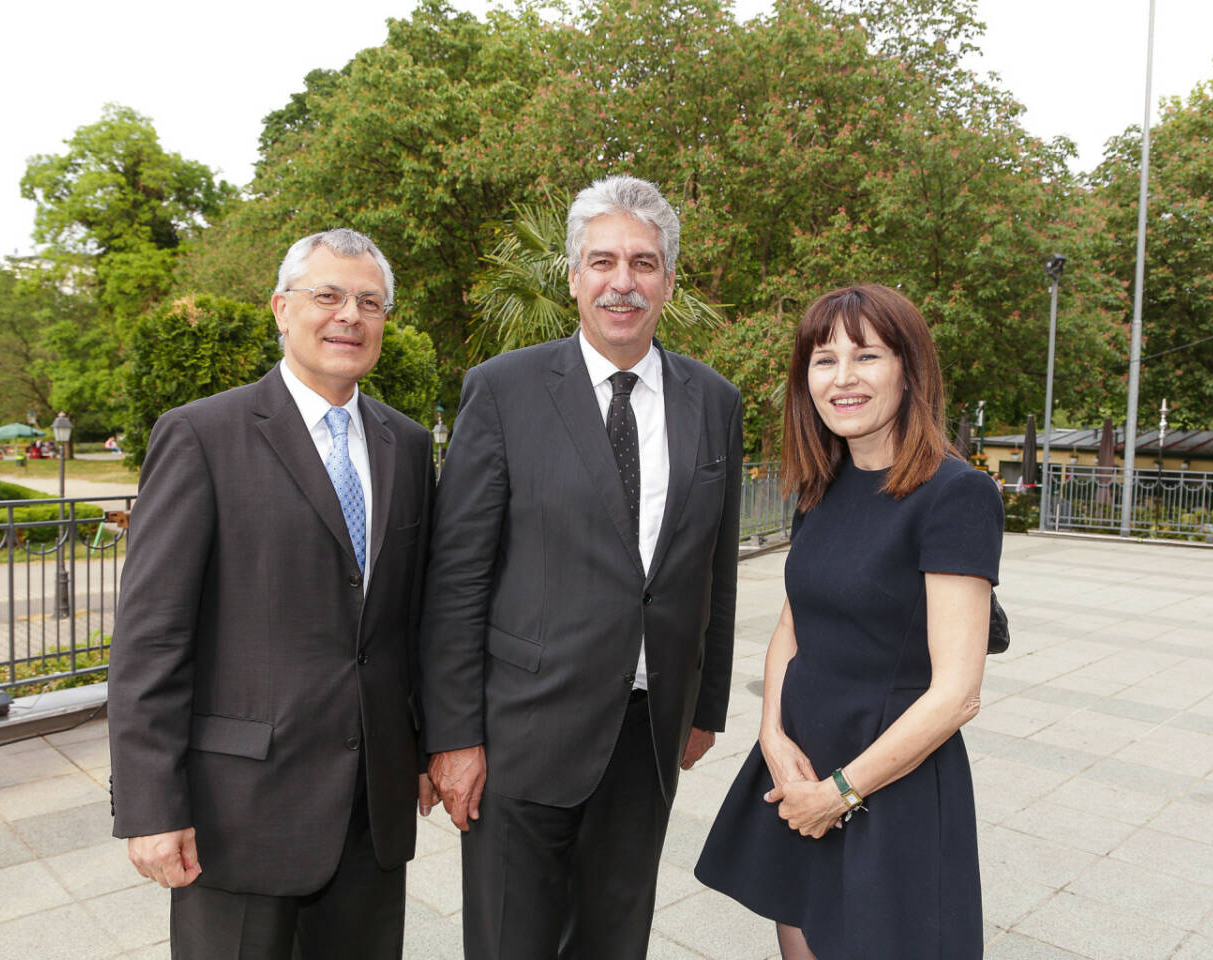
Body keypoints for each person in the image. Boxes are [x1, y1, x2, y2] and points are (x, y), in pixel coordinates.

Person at [420, 175, 743, 960]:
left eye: (642, 262)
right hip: (520, 732)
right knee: (511, 943)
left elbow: (715, 568)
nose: (622, 282)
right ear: (573, 276)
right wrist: (455, 736)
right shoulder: (502, 391)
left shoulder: (715, 401)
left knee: (614, 941)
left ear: (669, 279)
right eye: (602, 261)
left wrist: (705, 706)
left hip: (646, 732)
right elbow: (457, 577)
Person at [107, 228, 438, 960]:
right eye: (328, 295)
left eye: (370, 302)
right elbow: (151, 638)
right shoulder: (201, 436)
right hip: (239, 814)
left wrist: (425, 744)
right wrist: (150, 805)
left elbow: (409, 620)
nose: (349, 315)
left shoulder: (408, 447)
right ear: (282, 309)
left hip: (370, 813)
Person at [695, 284, 1002, 959]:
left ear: (909, 368)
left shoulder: (957, 495)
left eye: (867, 356)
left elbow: (958, 693)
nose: (844, 378)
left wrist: (839, 793)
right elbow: (790, 630)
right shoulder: (821, 488)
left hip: (887, 783)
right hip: (804, 765)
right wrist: (772, 736)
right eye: (824, 360)